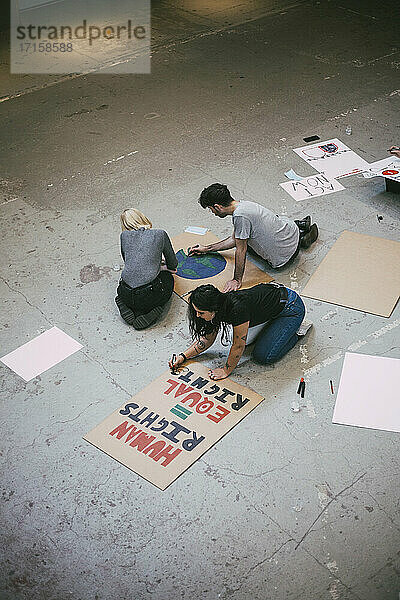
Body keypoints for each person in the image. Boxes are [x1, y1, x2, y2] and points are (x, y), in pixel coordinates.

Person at [188, 183, 318, 292]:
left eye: (211, 209)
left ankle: (302, 241)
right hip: (290, 232)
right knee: (273, 220)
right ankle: (300, 228)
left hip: (283, 258)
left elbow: (240, 249)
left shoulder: (240, 217)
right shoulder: (244, 205)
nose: (213, 213)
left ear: (217, 207)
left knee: (247, 244)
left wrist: (236, 280)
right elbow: (235, 238)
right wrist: (207, 248)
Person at [168, 282, 312, 381]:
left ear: (214, 309)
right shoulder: (217, 308)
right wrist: (183, 356)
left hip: (291, 307)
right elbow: (206, 340)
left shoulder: (237, 310)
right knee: (242, 338)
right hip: (269, 306)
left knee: (263, 356)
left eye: (201, 312)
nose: (197, 316)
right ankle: (273, 326)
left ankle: (296, 330)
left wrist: (226, 370)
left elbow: (238, 346)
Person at [115, 208, 178, 330]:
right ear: (142, 218)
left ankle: (124, 303)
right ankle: (155, 309)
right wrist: (162, 266)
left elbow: (128, 260)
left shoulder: (124, 236)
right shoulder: (160, 234)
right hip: (149, 296)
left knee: (126, 282)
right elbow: (173, 264)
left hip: (125, 292)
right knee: (168, 279)